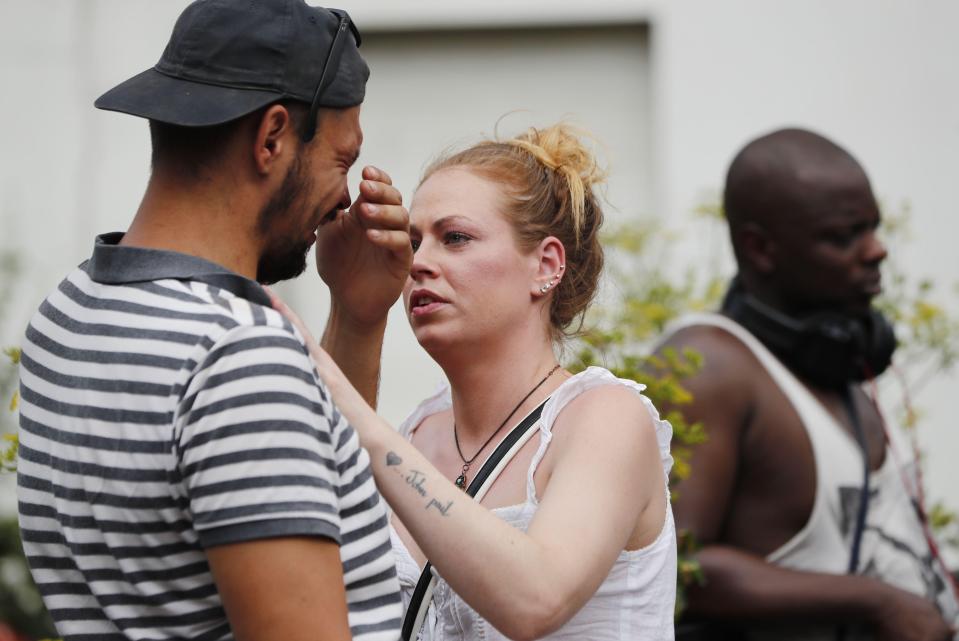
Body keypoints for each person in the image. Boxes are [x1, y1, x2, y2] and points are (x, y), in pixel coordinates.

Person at [16, 2, 411, 640]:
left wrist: (358, 317)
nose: (345, 196)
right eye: (342, 161)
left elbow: (306, 481)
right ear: (272, 138)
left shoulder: (69, 310)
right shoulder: (235, 355)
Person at [276, 123, 678, 641]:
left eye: (456, 238)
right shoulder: (419, 433)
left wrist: (359, 418)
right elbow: (311, 536)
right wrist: (356, 308)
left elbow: (535, 600)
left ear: (546, 265)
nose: (417, 264)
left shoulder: (603, 417)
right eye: (413, 242)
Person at [656, 128, 959, 641]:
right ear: (761, 249)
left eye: (874, 229)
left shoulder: (835, 362)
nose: (877, 251)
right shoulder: (710, 366)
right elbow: (674, 565)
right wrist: (876, 603)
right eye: (843, 236)